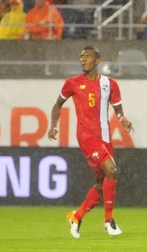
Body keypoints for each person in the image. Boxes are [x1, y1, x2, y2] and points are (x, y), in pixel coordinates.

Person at [48, 45, 134, 238]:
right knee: (112, 170)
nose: (83, 59)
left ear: (97, 61)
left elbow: (118, 109)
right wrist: (53, 125)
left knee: (100, 184)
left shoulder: (109, 83)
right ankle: (109, 220)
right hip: (87, 136)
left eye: (87, 56)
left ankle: (76, 216)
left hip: (105, 136)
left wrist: (124, 120)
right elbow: (58, 104)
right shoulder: (73, 83)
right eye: (81, 56)